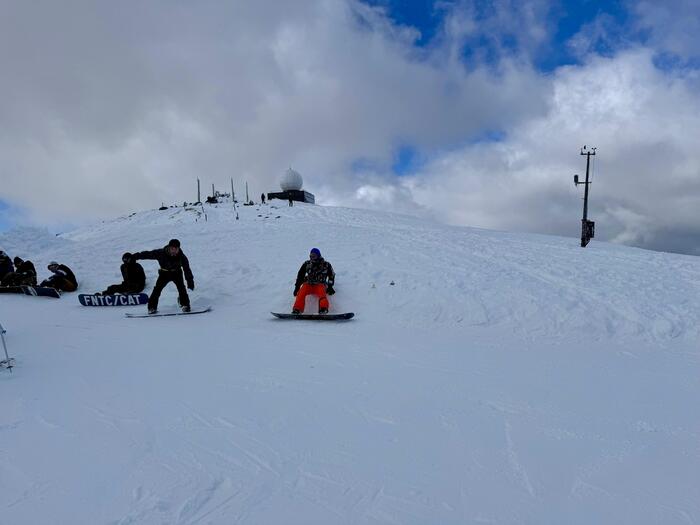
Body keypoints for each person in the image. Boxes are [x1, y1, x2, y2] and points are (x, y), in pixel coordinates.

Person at [133, 239, 194, 314]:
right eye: (172, 249)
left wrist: (190, 281)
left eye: (176, 249)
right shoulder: (161, 253)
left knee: (182, 289)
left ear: (179, 248)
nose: (174, 251)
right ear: (169, 247)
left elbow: (187, 269)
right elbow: (147, 254)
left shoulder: (182, 257)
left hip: (177, 273)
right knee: (157, 290)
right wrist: (134, 256)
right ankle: (152, 308)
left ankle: (185, 305)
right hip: (164, 273)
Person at [292, 248, 335, 314]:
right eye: (311, 256)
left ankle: (323, 309)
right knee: (301, 293)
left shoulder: (326, 265)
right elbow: (300, 276)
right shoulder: (307, 264)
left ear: (318, 255)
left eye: (314, 256)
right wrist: (297, 287)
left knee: (322, 294)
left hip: (320, 284)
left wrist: (330, 286)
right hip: (308, 284)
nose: (312, 257)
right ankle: (297, 309)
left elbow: (331, 275)